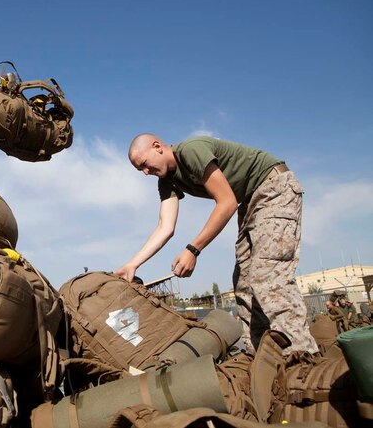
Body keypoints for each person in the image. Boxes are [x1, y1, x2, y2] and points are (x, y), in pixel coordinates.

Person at [114, 134, 318, 355]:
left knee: (268, 277)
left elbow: (227, 202)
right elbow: (165, 226)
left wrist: (193, 249)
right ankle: (259, 356)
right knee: (244, 283)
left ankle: (302, 357)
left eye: (144, 164)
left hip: (273, 187)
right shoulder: (166, 181)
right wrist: (133, 264)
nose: (145, 172)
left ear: (157, 147)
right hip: (249, 201)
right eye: (140, 170)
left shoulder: (190, 151)